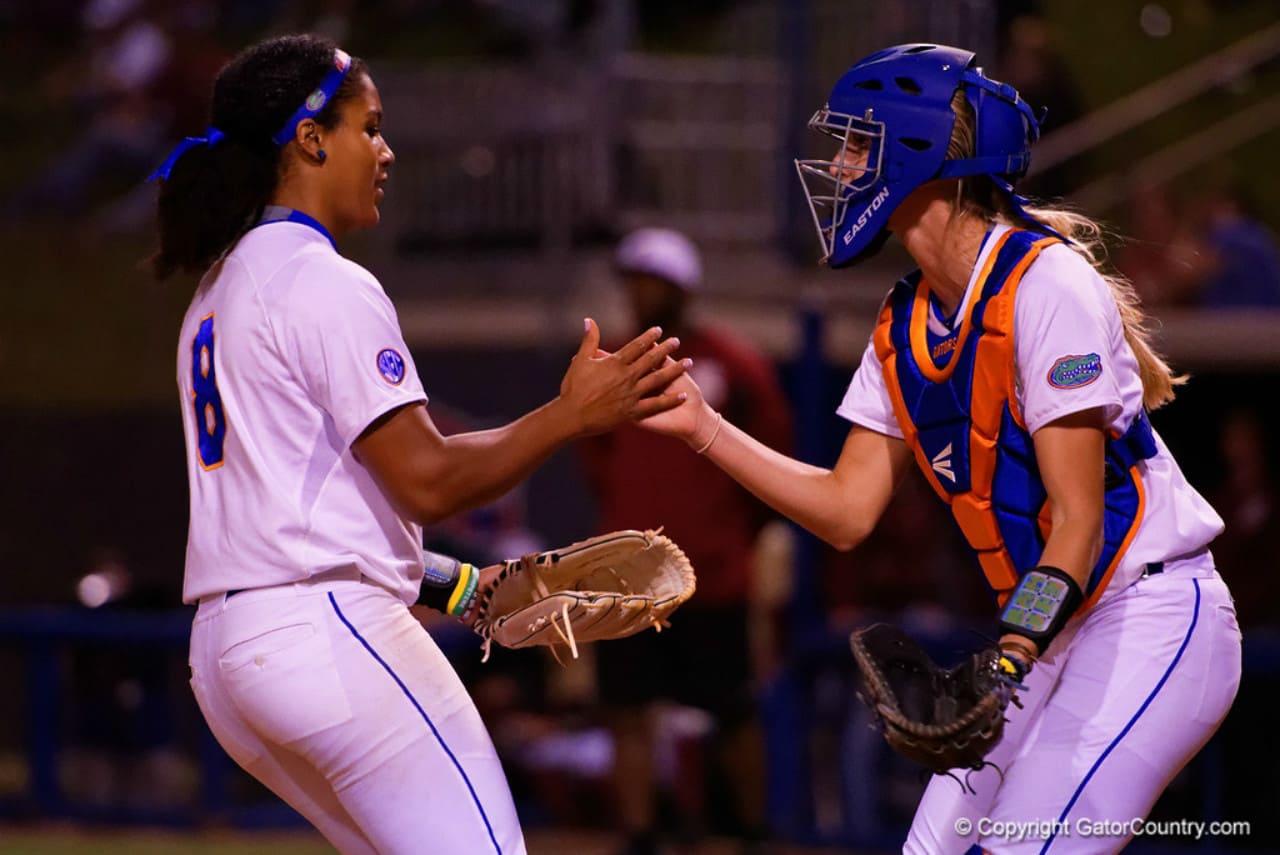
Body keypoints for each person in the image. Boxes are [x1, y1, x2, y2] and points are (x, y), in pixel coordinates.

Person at [639, 43, 1241, 854]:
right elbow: (848, 511)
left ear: (917, 149)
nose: (840, 165)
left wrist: (1009, 655)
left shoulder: (1046, 284)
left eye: (858, 143)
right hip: (1053, 630)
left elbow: (1077, 523)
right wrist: (703, 427)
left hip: (1153, 616)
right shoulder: (905, 321)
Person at [150, 34, 688, 855]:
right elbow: (428, 482)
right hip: (326, 633)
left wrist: (461, 585)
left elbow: (309, 510)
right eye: (370, 126)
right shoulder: (322, 278)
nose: (386, 150)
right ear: (310, 137)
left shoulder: (216, 290)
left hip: (229, 658)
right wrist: (571, 413)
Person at [579, 227, 793, 855]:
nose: (641, 292)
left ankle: (752, 833)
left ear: (682, 290)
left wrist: (731, 537)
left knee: (732, 708)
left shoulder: (734, 364)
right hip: (628, 578)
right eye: (634, 280)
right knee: (627, 708)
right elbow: (594, 460)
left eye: (654, 281)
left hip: (713, 572)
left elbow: (773, 457)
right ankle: (640, 835)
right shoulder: (606, 367)